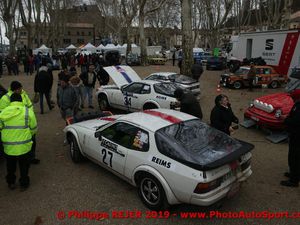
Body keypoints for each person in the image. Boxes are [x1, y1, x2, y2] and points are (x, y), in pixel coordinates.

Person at [0, 93, 37, 191]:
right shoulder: (27, 112)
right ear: (21, 100)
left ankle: (11, 182)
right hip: (24, 145)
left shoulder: (3, 113)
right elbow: (33, 128)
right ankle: (24, 183)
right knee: (24, 166)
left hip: (9, 146)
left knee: (10, 165)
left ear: (11, 101)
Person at [280, 89, 300, 187]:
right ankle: (294, 174)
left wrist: (285, 119)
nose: (291, 99)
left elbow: (296, 121)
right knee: (294, 157)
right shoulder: (297, 105)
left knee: (294, 157)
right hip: (294, 135)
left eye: (292, 97)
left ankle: (294, 180)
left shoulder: (299, 106)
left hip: (297, 137)